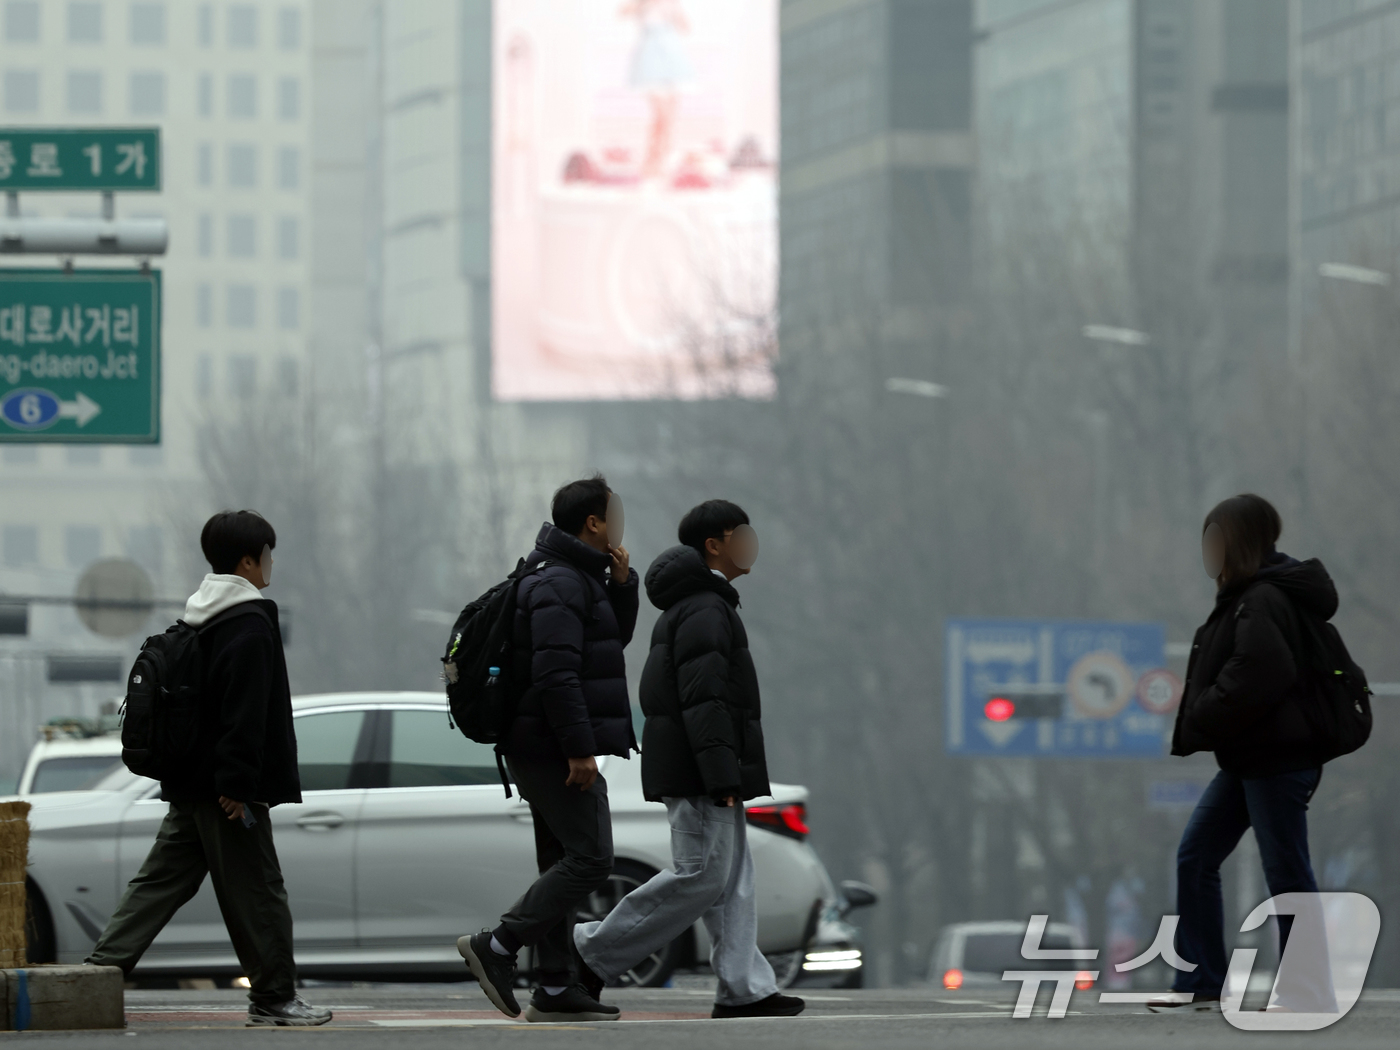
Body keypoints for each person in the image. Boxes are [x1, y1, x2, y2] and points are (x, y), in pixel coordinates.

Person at [87, 511, 330, 1027]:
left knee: (157, 885)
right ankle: (274, 998)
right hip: (226, 792)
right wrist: (238, 785)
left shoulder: (200, 615)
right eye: (267, 553)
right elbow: (243, 712)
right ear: (248, 560)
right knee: (259, 893)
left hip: (191, 783)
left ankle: (96, 976)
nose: (270, 563)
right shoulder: (248, 623)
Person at [574, 500, 805, 1019]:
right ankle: (591, 951)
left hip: (706, 768)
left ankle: (745, 989)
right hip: (701, 772)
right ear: (714, 545)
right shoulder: (704, 607)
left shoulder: (707, 603)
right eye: (741, 532)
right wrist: (722, 774)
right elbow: (705, 702)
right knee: (701, 877)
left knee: (729, 879)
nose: (752, 541)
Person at [458, 475, 638, 1023]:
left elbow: (605, 645)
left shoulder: (574, 577)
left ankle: (557, 987)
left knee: (560, 860)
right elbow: (557, 674)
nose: (621, 522)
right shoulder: (558, 581)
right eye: (615, 512)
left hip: (544, 741)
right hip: (549, 747)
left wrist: (622, 583)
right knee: (590, 858)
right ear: (593, 523)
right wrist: (579, 750)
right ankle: (497, 946)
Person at [1149, 494, 1337, 1013]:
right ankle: (1202, 980)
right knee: (1196, 856)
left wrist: (1202, 713)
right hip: (1251, 759)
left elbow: (1262, 671)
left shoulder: (1261, 598)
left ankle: (1307, 990)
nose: (1208, 553)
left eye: (1215, 541)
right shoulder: (1250, 595)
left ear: (1241, 543)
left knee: (1286, 873)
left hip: (1277, 760)